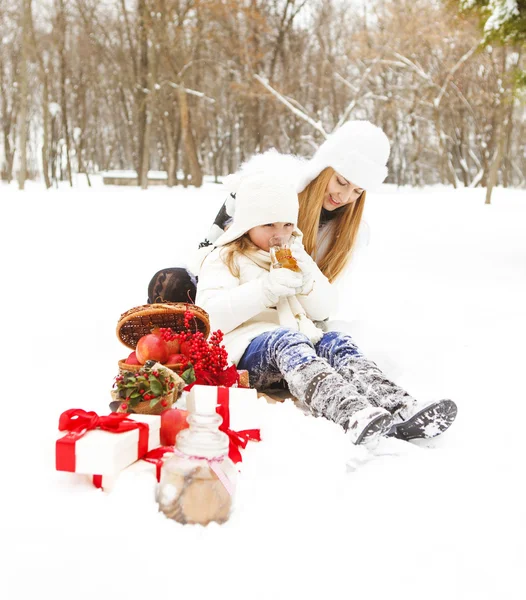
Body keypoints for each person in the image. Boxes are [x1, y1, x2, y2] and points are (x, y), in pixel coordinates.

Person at [194, 171, 457, 445]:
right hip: (248, 353)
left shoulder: (294, 255)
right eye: (268, 225)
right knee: (286, 340)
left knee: (335, 341)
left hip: (298, 350)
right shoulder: (224, 258)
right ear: (247, 224)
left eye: (287, 225)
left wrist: (308, 278)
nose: (279, 235)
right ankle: (351, 413)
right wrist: (266, 288)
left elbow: (323, 310)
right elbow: (211, 317)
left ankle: (399, 405)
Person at [147, 119, 386, 302]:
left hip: (281, 304)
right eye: (341, 182)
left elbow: (321, 298)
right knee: (169, 283)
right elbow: (209, 247)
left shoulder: (346, 233)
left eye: (357, 192)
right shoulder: (267, 186)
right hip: (231, 284)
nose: (344, 197)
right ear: (322, 170)